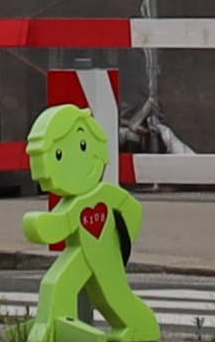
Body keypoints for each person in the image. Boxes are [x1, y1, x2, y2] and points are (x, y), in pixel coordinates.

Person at [24, 96, 161, 342]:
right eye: (58, 155)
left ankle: (142, 326)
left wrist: (121, 243)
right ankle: (51, 326)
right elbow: (60, 224)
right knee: (57, 285)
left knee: (112, 294)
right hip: (86, 250)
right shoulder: (80, 202)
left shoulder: (104, 195)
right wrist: (41, 225)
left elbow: (132, 210)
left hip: (104, 250)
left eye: (83, 146)